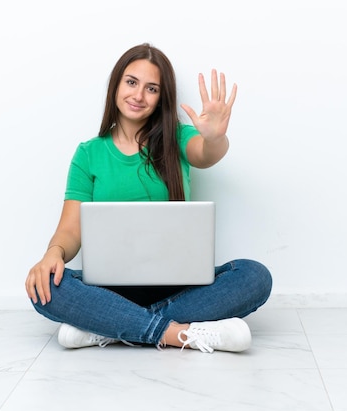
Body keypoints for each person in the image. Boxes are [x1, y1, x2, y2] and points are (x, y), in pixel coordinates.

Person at [25, 43, 272, 353]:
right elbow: (70, 229)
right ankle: (178, 333)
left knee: (255, 277)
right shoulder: (88, 154)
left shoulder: (179, 138)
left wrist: (215, 138)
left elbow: (207, 154)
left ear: (160, 98)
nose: (138, 95)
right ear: (116, 84)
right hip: (109, 289)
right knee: (45, 285)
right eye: (131, 82)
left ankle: (109, 326)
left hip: (179, 286)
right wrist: (54, 253)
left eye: (151, 88)